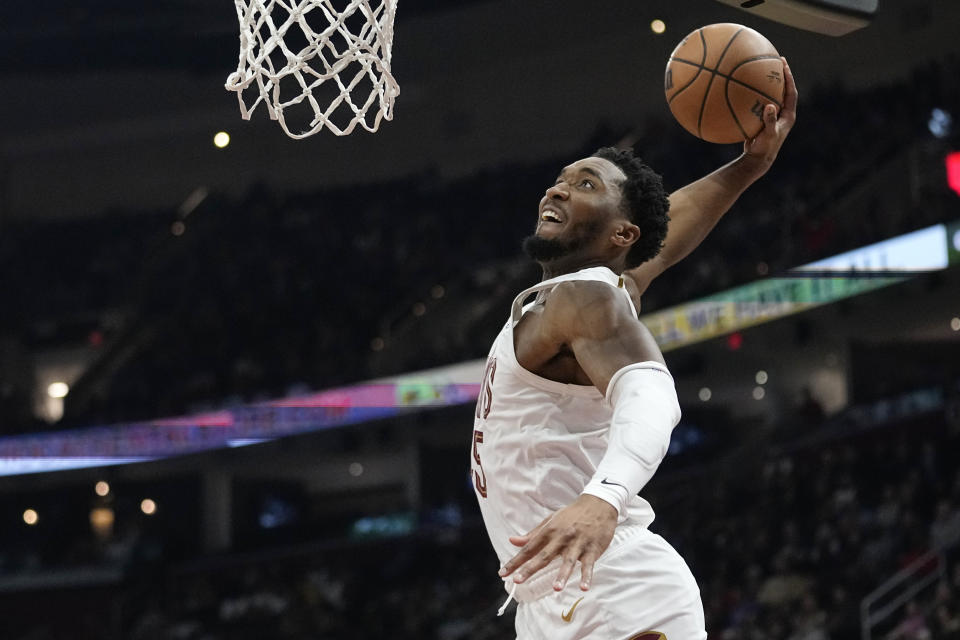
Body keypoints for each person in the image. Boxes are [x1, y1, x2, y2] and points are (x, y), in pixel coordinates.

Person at [470, 59, 798, 639]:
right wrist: (749, 166)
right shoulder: (585, 294)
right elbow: (664, 244)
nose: (559, 187)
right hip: (548, 600)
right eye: (564, 178)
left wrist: (606, 496)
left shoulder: (586, 300)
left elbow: (650, 395)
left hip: (613, 587)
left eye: (586, 184)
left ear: (621, 234)